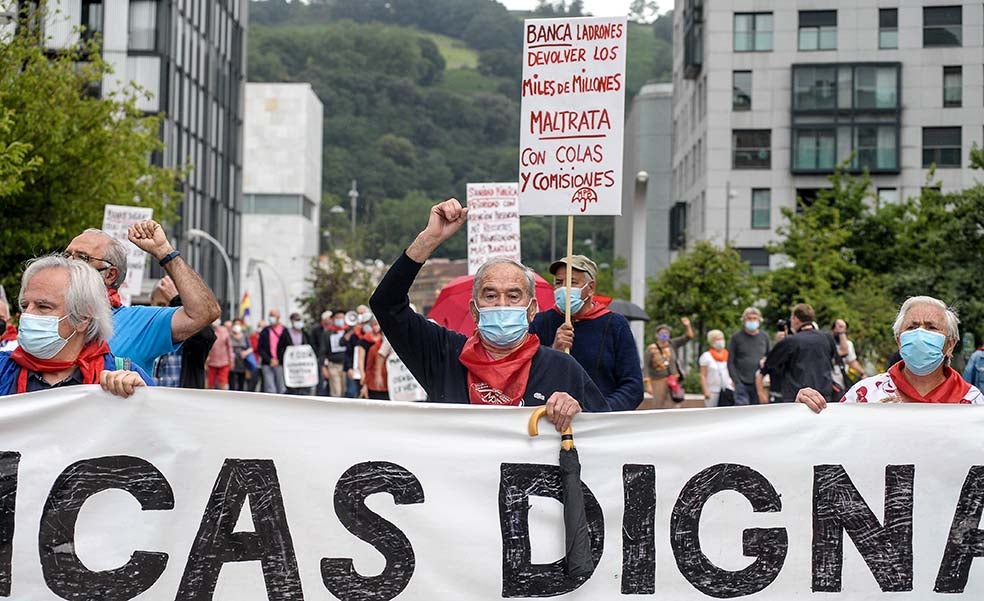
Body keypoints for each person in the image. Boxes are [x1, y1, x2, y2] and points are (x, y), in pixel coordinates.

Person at [369, 198, 609, 432]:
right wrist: (429, 239)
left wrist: (578, 411)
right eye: (490, 296)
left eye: (514, 296)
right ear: (475, 309)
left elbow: (610, 435)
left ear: (532, 308)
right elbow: (386, 304)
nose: (501, 305)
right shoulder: (443, 355)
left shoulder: (562, 369)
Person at [64, 223, 221, 372]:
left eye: (82, 258)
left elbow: (205, 312)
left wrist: (164, 252)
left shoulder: (138, 323)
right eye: (66, 255)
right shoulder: (46, 317)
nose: (69, 263)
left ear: (110, 275)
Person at [0, 255, 151, 397]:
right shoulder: (4, 370)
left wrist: (143, 401)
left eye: (43, 306)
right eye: (25, 305)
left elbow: (160, 422)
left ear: (82, 318)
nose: (28, 315)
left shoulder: (124, 376)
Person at [798, 296, 983, 410]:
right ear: (899, 341)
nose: (919, 334)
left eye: (931, 327)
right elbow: (829, 436)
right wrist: (802, 411)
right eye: (911, 327)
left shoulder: (973, 403)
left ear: (950, 345)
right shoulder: (865, 395)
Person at [529, 255, 643, 411]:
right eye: (558, 283)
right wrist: (552, 351)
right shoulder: (540, 322)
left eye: (572, 283)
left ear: (590, 288)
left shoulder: (615, 325)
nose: (564, 289)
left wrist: (600, 411)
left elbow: (633, 387)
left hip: (598, 424)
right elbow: (527, 375)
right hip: (547, 420)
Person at [759, 303, 839, 404]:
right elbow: (834, 360)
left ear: (795, 319)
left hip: (798, 399)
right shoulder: (827, 338)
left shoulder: (790, 341)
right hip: (824, 397)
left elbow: (768, 366)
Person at [149, 276, 216, 389]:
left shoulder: (190, 338)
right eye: (161, 305)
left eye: (171, 306)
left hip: (182, 405)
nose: (166, 312)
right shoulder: (145, 333)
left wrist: (177, 300)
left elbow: (206, 335)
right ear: (151, 303)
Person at [642, 317, 694, 409]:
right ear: (657, 335)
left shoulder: (672, 344)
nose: (664, 335)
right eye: (662, 333)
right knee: (659, 404)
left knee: (674, 403)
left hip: (673, 380)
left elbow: (688, 337)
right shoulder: (651, 349)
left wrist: (687, 326)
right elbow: (646, 366)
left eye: (666, 333)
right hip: (658, 380)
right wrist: (648, 384)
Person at [727, 307, 770, 405]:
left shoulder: (764, 337)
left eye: (754, 318)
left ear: (759, 320)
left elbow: (768, 356)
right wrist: (736, 381)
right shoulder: (736, 337)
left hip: (759, 383)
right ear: (744, 320)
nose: (752, 321)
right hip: (741, 382)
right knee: (742, 410)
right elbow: (730, 361)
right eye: (749, 318)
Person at [276, 312, 316, 395]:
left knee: (304, 388)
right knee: (292, 388)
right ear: (292, 321)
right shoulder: (286, 333)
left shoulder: (305, 334)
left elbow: (311, 348)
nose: (299, 322)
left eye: (300, 320)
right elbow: (280, 348)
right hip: (291, 367)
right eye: (296, 320)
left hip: (303, 366)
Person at [830, 319, 866, 400]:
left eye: (843, 328)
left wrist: (862, 373)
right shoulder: (827, 343)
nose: (840, 330)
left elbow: (852, 361)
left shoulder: (848, 344)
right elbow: (843, 351)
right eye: (839, 327)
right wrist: (841, 333)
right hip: (829, 382)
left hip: (841, 382)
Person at [699, 329, 734, 407]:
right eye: (717, 339)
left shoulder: (729, 355)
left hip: (727, 389)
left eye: (721, 339)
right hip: (713, 390)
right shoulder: (706, 356)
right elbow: (703, 375)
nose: (720, 341)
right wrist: (705, 390)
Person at [319, 310, 348, 397]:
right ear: (333, 319)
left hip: (345, 366)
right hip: (333, 365)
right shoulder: (327, 334)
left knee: (345, 390)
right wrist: (323, 367)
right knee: (336, 392)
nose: (340, 320)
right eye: (337, 318)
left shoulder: (348, 331)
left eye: (342, 318)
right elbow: (322, 351)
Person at [257, 309, 286, 394]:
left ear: (278, 317)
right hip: (267, 363)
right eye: (270, 315)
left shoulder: (285, 331)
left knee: (281, 387)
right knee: (270, 388)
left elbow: (286, 347)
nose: (271, 317)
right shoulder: (265, 331)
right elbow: (260, 348)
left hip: (281, 363)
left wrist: (279, 360)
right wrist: (269, 360)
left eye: (273, 315)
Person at [205, 320, 234, 390]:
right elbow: (206, 346)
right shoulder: (208, 330)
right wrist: (205, 360)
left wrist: (231, 361)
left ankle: (224, 397)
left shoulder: (224, 331)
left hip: (224, 361)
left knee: (223, 382)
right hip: (211, 362)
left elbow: (229, 347)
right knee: (210, 383)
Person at [229, 319, 253, 391]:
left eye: (238, 324)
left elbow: (251, 348)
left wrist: (246, 352)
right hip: (232, 362)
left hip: (242, 363)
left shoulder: (245, 336)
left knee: (241, 383)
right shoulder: (229, 336)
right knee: (232, 384)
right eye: (235, 324)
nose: (237, 326)